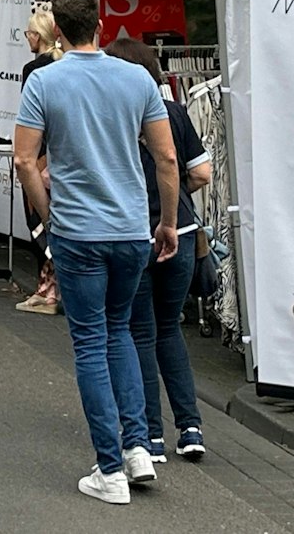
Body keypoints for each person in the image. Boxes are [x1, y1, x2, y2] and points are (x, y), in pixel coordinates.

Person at [11, 0, 179, 506]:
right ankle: (137, 447)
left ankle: (109, 467)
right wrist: (167, 222)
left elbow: (24, 160)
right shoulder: (137, 79)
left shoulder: (44, 81)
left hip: (78, 229)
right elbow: (167, 158)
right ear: (101, 27)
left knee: (89, 342)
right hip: (130, 228)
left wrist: (48, 217)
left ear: (58, 32)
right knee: (120, 331)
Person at [104, 38, 213, 464]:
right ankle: (190, 427)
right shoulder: (174, 113)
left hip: (135, 235)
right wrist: (174, 195)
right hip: (181, 231)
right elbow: (202, 172)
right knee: (170, 330)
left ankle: (150, 434)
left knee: (140, 333)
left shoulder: (111, 119)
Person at [15, 4, 66, 315]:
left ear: (38, 36)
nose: (27, 38)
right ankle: (54, 288)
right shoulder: (64, 64)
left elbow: (30, 119)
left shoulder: (33, 70)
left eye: (29, 33)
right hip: (61, 152)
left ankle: (47, 290)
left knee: (39, 218)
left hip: (39, 154)